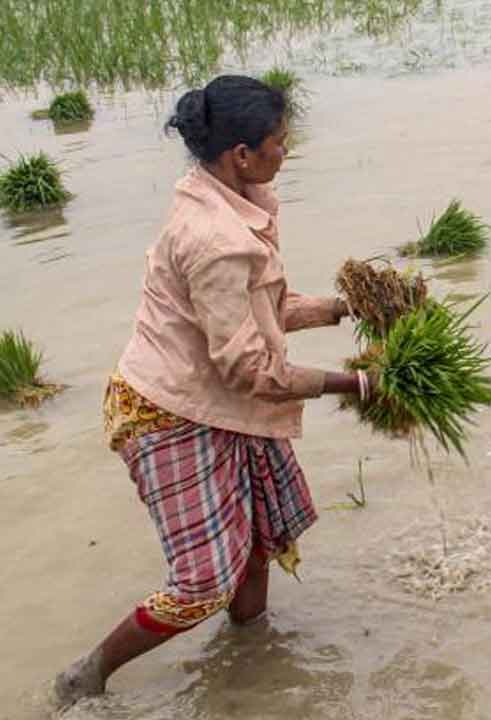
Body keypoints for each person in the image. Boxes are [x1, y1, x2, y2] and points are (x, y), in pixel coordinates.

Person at [54, 75, 373, 707]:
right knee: (202, 582)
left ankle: (249, 662)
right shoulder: (214, 240)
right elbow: (250, 370)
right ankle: (87, 674)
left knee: (255, 541)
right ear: (242, 155)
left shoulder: (238, 198)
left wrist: (350, 305)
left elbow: (268, 306)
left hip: (213, 399)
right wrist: (356, 382)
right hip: (168, 413)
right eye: (280, 142)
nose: (289, 150)